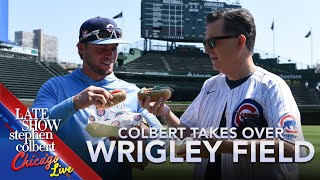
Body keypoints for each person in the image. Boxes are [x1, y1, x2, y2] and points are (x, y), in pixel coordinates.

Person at [140, 8, 304, 180]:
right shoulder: (210, 85)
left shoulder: (272, 86)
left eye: (212, 42)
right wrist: (166, 113)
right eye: (205, 42)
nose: (206, 49)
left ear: (240, 42)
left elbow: (292, 148)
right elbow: (188, 134)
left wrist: (223, 145)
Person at [32, 17, 162, 180]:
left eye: (114, 48)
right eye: (101, 49)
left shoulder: (132, 91)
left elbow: (160, 145)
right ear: (81, 49)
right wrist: (75, 103)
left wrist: (138, 143)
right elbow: (31, 128)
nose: (110, 55)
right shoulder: (55, 86)